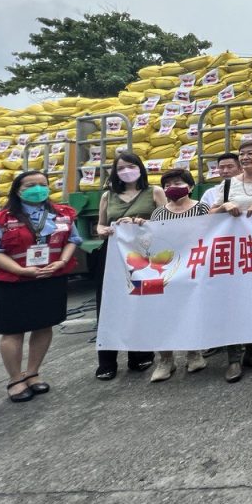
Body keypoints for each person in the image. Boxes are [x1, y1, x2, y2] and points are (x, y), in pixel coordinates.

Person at [0, 171, 81, 402]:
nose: (38, 189)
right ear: (18, 190)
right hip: (13, 282)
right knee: (13, 331)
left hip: (50, 277)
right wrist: (21, 270)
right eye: (31, 185)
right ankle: (15, 379)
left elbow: (73, 240)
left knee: (43, 326)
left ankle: (33, 372)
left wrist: (62, 261)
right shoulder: (1, 219)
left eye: (42, 184)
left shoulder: (62, 214)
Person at [94, 151, 167, 380]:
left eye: (131, 166)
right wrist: (103, 230)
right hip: (113, 257)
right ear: (115, 173)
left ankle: (141, 354)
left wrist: (142, 223)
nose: (126, 171)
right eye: (121, 168)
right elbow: (99, 225)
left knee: (142, 303)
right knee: (109, 305)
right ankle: (107, 361)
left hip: (144, 257)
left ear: (140, 168)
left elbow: (167, 223)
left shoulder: (154, 192)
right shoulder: (108, 196)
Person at [208, 140, 252, 383]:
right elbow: (210, 214)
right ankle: (233, 358)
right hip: (233, 253)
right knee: (233, 303)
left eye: (250, 154)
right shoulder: (227, 185)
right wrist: (224, 206)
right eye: (242, 154)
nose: (244, 157)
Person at [147, 169, 210, 382]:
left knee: (192, 310)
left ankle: (194, 353)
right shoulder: (159, 213)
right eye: (167, 185)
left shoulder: (202, 208)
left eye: (177, 183)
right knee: (163, 313)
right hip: (168, 269)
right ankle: (165, 359)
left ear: (190, 187)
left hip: (195, 268)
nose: (172, 187)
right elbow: (153, 240)